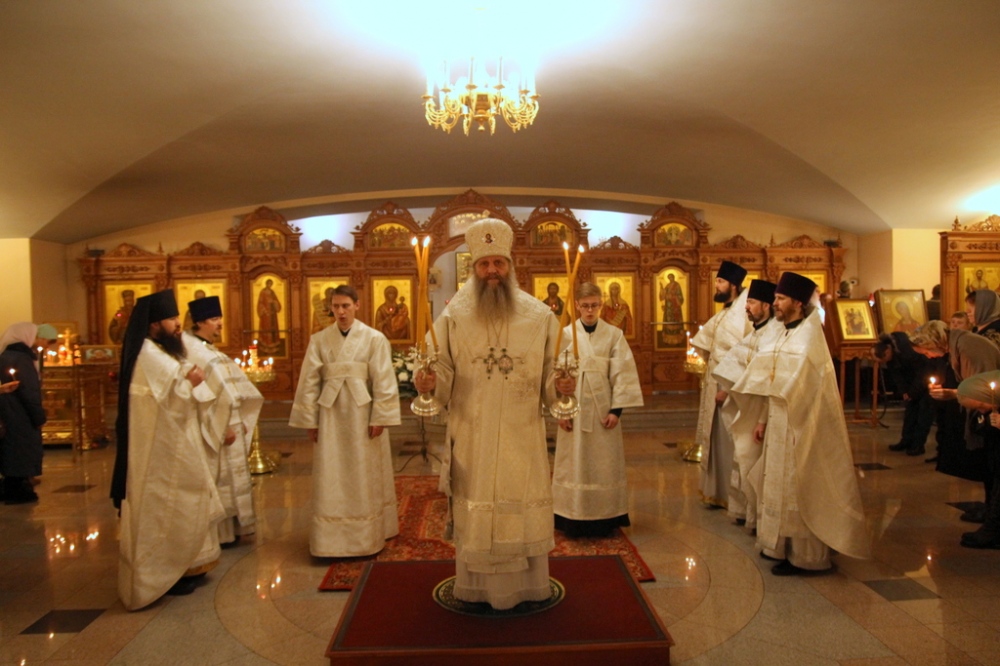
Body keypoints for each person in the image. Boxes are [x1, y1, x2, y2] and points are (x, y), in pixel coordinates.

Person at [413, 217, 576, 610]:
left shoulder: (539, 315)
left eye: (498, 263)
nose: (491, 271)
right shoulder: (454, 314)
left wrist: (562, 386)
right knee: (477, 502)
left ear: (510, 266)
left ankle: (527, 587)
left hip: (522, 432)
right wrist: (429, 380)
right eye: (484, 264)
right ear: (474, 268)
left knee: (520, 498)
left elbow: (555, 367)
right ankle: (476, 588)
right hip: (473, 430)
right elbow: (440, 364)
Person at [729, 272, 870, 575]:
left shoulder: (809, 338)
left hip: (802, 425)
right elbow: (770, 379)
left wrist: (798, 426)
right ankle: (781, 546)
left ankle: (808, 557)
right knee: (778, 484)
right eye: (775, 298)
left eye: (780, 299)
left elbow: (810, 391)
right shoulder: (783, 333)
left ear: (797, 302)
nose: (775, 304)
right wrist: (763, 419)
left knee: (799, 487)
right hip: (779, 420)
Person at [111, 290, 224, 610]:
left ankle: (187, 564)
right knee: (167, 505)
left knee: (184, 501)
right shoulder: (149, 354)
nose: (178, 324)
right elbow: (174, 395)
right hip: (159, 449)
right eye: (172, 319)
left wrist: (191, 380)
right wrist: (192, 381)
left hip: (175, 440)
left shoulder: (161, 349)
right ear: (153, 325)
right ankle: (166, 572)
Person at [289, 285, 401, 557]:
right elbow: (309, 381)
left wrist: (381, 416)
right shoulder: (319, 340)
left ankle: (368, 534)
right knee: (332, 472)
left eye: (346, 306)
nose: (340, 312)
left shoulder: (374, 338)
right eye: (336, 306)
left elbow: (383, 379)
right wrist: (310, 421)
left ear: (357, 306)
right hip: (330, 417)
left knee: (364, 471)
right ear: (331, 308)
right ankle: (331, 540)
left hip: (363, 415)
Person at [553, 282, 643, 538]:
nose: (590, 310)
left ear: (601, 305)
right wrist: (562, 411)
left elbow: (622, 373)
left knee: (604, 463)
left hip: (603, 409)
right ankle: (571, 515)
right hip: (574, 409)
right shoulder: (565, 334)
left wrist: (616, 411)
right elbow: (556, 374)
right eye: (585, 306)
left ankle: (606, 517)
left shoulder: (614, 335)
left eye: (594, 305)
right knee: (574, 463)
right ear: (577, 306)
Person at [183, 295, 263, 547]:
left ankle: (236, 529)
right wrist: (224, 425)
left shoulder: (207, 348)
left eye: (220, 318)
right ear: (199, 322)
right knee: (221, 478)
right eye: (215, 319)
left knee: (234, 476)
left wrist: (238, 418)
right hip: (216, 425)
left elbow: (228, 390)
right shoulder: (194, 351)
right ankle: (223, 534)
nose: (220, 324)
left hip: (229, 421)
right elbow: (205, 397)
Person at [713, 279, 781, 530]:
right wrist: (727, 389)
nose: (747, 307)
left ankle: (759, 520)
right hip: (746, 407)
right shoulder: (755, 333)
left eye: (751, 302)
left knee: (756, 466)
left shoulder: (773, 335)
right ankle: (747, 513)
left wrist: (762, 417)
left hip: (762, 409)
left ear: (766, 305)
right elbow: (738, 364)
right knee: (744, 460)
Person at [690, 260, 751, 509]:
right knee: (716, 438)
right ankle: (717, 491)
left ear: (733, 285)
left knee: (729, 440)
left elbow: (744, 354)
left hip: (731, 388)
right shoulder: (727, 312)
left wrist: (727, 388)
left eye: (721, 281)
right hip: (715, 382)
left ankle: (732, 496)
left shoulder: (742, 314)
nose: (716, 285)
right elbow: (707, 344)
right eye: (717, 280)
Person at [0, 323, 49, 504]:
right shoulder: (22, 359)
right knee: (22, 450)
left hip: (7, 410)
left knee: (11, 449)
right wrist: (38, 416)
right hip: (21, 413)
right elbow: (29, 391)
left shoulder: (4, 356)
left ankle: (11, 486)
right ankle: (18, 490)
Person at [873, 331, 933, 456]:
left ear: (888, 351)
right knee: (910, 413)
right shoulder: (891, 354)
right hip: (911, 385)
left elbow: (922, 372)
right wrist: (904, 391)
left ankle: (918, 445)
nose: (883, 363)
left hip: (924, 383)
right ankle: (906, 441)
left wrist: (913, 391)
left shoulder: (908, 350)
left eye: (883, 360)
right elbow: (897, 375)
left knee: (923, 414)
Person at [257, 279, 282, 350]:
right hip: (265, 315)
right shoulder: (263, 292)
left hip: (273, 314)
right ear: (266, 284)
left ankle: (273, 345)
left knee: (273, 328)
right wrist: (264, 310)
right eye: (269, 283)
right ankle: (265, 345)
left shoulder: (272, 292)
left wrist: (274, 302)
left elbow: (276, 301)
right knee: (266, 327)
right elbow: (260, 303)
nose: (270, 285)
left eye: (271, 284)